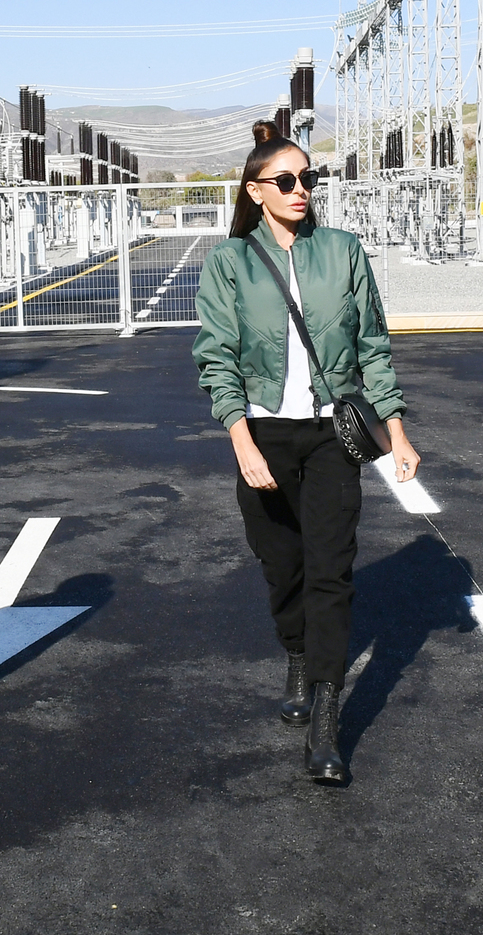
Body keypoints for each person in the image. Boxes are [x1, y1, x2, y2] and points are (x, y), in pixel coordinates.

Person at [192, 123, 420, 784]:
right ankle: (297, 651)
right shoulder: (230, 262)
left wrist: (397, 431)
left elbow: (373, 344)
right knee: (282, 566)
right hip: (264, 435)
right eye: (286, 180)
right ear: (255, 191)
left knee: (331, 570)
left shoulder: (343, 251)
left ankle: (326, 716)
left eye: (308, 179)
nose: (301, 190)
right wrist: (241, 440)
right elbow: (216, 357)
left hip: (330, 435)